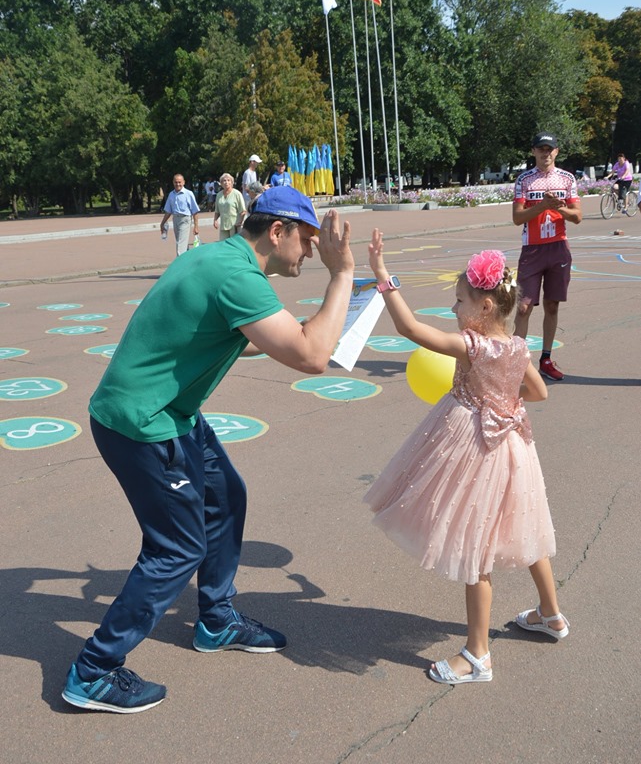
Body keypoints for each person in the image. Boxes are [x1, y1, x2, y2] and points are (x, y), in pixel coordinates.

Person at [62, 186, 354, 713]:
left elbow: (263, 334)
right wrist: (344, 275)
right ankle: (94, 670)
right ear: (277, 232)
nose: (310, 253)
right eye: (307, 242)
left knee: (226, 497)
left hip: (171, 413)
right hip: (144, 425)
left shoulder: (220, 257)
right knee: (176, 549)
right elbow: (313, 356)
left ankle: (216, 621)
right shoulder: (236, 276)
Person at [364, 239, 569, 686]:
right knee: (528, 528)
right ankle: (551, 614)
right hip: (514, 443)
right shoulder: (515, 346)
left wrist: (383, 276)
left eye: (459, 301)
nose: (454, 308)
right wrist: (503, 398)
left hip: (477, 447)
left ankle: (478, 655)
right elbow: (538, 392)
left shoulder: (474, 345)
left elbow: (414, 331)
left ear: (485, 306)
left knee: (475, 546)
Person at [512, 133, 582, 382]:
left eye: (550, 150)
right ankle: (517, 363)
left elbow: (577, 216)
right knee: (523, 308)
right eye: (541, 149)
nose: (546, 154)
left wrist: (556, 207)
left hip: (558, 248)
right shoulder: (524, 180)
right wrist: (542, 206)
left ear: (557, 152)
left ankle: (545, 359)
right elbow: (517, 218)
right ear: (533, 152)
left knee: (552, 305)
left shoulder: (567, 178)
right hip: (532, 250)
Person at [159, 174, 200, 256]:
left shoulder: (188, 194)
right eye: (176, 182)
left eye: (179, 182)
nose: (178, 184)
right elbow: (168, 211)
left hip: (185, 219)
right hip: (175, 220)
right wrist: (162, 223)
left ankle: (179, 265)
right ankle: (188, 262)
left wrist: (196, 226)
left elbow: (195, 211)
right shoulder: (171, 194)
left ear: (183, 182)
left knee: (180, 244)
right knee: (182, 242)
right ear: (173, 183)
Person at [213, 173, 246, 240]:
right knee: (223, 244)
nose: (226, 182)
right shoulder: (219, 195)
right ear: (221, 183)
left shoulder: (237, 194)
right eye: (224, 181)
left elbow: (243, 210)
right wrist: (215, 220)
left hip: (234, 225)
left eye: (228, 180)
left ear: (232, 182)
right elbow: (217, 210)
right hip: (223, 225)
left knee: (234, 245)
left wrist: (240, 222)